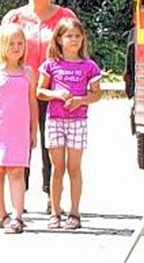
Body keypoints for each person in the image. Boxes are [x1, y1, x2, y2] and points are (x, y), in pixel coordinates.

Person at [2, 0, 77, 209]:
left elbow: (77, 51)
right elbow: (0, 53)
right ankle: (18, 196)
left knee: (51, 145)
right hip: (19, 91)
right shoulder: (15, 18)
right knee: (19, 144)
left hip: (53, 92)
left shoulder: (66, 17)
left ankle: (50, 195)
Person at [36, 17, 102, 230]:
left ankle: (75, 212)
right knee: (58, 168)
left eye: (77, 36)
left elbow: (97, 94)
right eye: (68, 36)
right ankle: (55, 212)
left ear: (83, 39)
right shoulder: (51, 65)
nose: (73, 40)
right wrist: (56, 94)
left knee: (74, 168)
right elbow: (39, 91)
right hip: (55, 120)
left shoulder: (89, 66)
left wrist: (80, 100)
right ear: (59, 39)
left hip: (78, 121)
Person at [0, 23, 37, 234]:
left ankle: (17, 215)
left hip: (19, 131)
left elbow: (32, 103)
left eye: (20, 43)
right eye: (11, 43)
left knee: (17, 171)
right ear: (1, 45)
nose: (16, 47)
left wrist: (33, 130)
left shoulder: (28, 73)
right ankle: (1, 214)